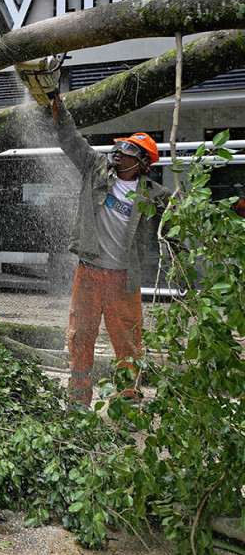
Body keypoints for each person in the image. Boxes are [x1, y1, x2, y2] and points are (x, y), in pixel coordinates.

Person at [52, 107, 172, 406]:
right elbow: (69, 138)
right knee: (80, 337)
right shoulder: (95, 168)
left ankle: (128, 404)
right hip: (89, 272)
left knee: (129, 344)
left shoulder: (156, 196)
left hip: (124, 278)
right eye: (118, 146)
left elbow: (176, 230)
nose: (119, 151)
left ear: (143, 162)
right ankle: (78, 403)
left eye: (129, 149)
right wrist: (57, 105)